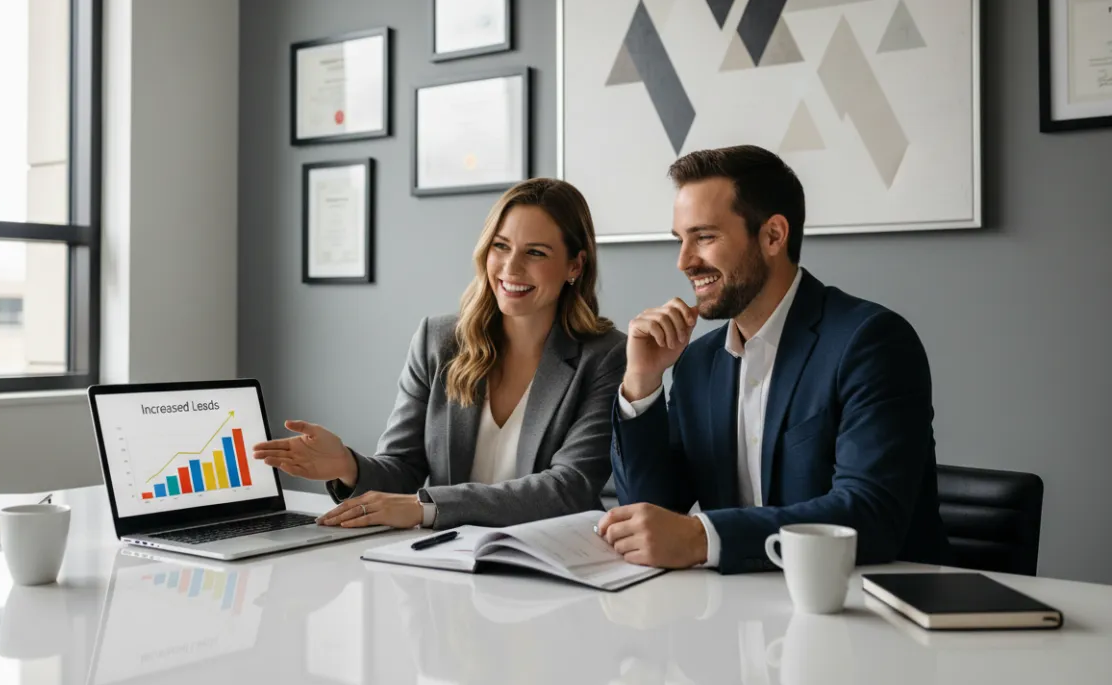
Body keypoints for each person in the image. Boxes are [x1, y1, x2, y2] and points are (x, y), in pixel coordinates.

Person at [596, 145, 950, 574]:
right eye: (681, 240)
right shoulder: (699, 363)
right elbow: (648, 516)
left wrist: (701, 537)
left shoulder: (870, 342)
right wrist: (643, 381)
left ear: (773, 236)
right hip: (740, 613)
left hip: (872, 613)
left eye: (704, 237)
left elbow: (869, 515)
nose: (684, 261)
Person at [253, 178, 627, 530]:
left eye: (536, 252)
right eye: (501, 246)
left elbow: (569, 487)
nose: (511, 267)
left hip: (554, 568)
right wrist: (347, 464)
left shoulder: (606, 357)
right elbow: (402, 468)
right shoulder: (438, 341)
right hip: (447, 564)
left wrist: (428, 508)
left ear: (574, 265)